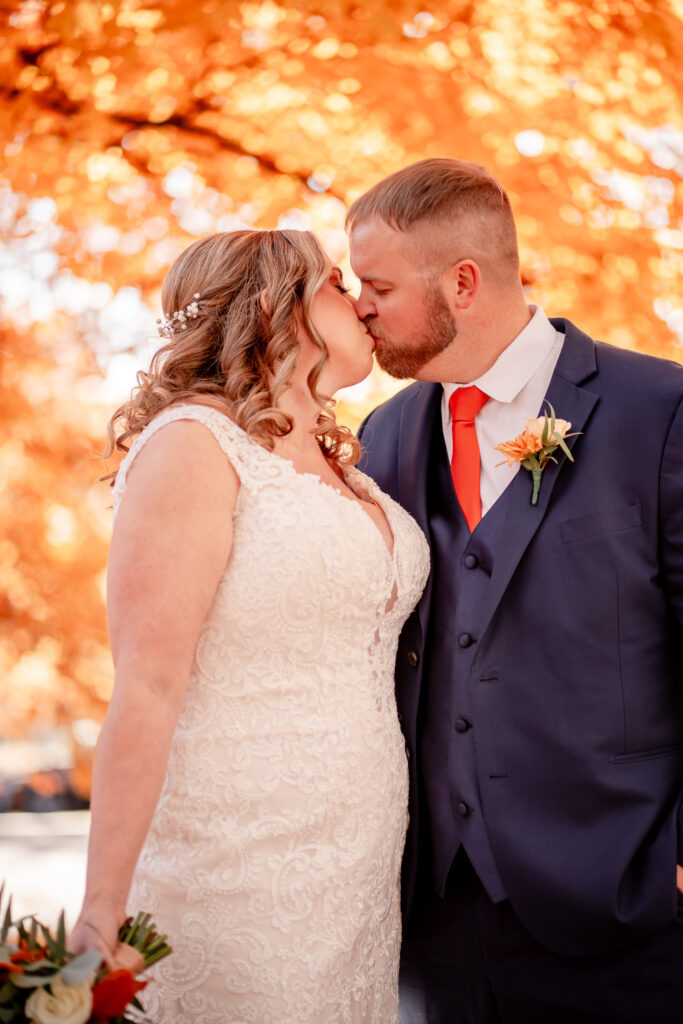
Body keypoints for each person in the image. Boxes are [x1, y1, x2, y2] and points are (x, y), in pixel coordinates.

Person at [347, 158, 683, 1024]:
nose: (359, 307)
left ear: (462, 283)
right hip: (436, 917)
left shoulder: (659, 412)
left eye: (377, 285)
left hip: (623, 902)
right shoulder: (382, 436)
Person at [68, 228, 429, 1024]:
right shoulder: (194, 447)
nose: (361, 302)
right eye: (336, 283)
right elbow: (150, 684)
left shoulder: (345, 464)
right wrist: (101, 909)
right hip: (236, 862)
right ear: (276, 303)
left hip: (359, 868)